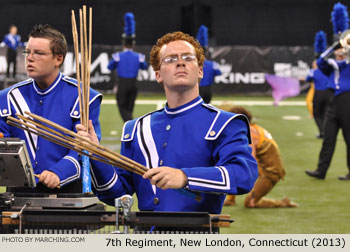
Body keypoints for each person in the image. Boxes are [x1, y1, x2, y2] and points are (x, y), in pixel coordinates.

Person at [77, 31, 258, 214]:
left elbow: (243, 175)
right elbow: (117, 194)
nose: (180, 62)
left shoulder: (224, 123)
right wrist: (96, 154)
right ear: (158, 75)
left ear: (200, 71)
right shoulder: (136, 128)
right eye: (171, 59)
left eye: (188, 58)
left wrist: (185, 177)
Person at [0, 24, 102, 192]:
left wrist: (58, 172)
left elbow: (84, 149)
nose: (30, 58)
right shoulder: (7, 98)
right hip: (18, 197)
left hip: (67, 195)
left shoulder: (84, 97)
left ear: (58, 59)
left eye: (38, 53)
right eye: (27, 52)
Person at [305, 2, 350, 181]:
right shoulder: (333, 65)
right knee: (328, 139)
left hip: (348, 102)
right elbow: (321, 60)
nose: (339, 53)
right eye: (338, 52)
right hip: (334, 102)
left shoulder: (347, 63)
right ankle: (321, 171)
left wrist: (346, 46)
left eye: (341, 51)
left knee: (349, 140)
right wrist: (335, 45)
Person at [223, 106, 298, 208]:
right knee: (234, 167)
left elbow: (250, 158)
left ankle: (282, 203)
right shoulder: (252, 128)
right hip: (264, 167)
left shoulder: (250, 133)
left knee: (250, 203)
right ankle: (230, 199)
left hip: (271, 172)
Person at [107, 13, 148, 122]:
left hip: (123, 84)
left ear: (123, 44)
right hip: (134, 84)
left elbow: (109, 67)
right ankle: (131, 124)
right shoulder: (139, 56)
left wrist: (116, 62)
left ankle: (131, 125)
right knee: (129, 108)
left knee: (121, 106)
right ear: (133, 44)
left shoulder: (118, 56)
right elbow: (144, 67)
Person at [305, 60, 332, 138]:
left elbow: (308, 79)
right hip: (329, 93)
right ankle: (325, 132)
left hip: (319, 93)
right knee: (325, 113)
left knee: (316, 114)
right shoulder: (328, 70)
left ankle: (322, 132)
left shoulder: (313, 71)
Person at [196, 25, 221, 104]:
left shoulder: (194, 64)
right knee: (207, 108)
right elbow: (219, 72)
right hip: (207, 89)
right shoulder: (212, 64)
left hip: (197, 88)